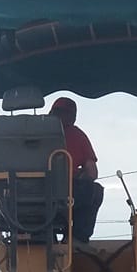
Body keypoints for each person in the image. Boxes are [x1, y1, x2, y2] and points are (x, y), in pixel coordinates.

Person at [48, 96, 104, 243]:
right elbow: (92, 173)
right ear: (72, 116)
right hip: (66, 194)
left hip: (26, 192)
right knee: (95, 191)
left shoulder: (32, 132)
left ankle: (45, 237)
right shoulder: (77, 135)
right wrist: (80, 174)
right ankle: (76, 238)